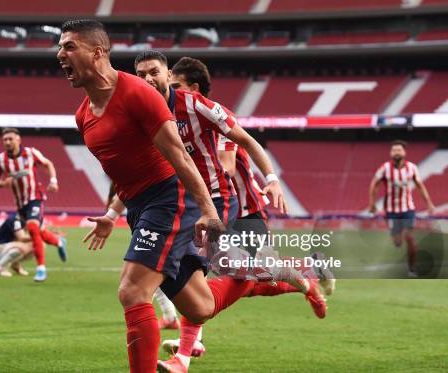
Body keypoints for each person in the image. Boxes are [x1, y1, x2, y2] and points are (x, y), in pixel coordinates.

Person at [57, 19, 292, 373]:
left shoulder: (138, 94)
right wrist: (111, 214)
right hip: (140, 209)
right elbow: (120, 170)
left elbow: (180, 156)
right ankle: (246, 280)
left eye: (68, 46)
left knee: (132, 291)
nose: (60, 54)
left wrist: (209, 210)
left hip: (168, 200)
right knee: (199, 306)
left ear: (98, 52)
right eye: (60, 47)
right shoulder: (82, 116)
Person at [134, 53, 326, 370]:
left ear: (169, 76)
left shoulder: (199, 108)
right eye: (141, 74)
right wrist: (113, 212)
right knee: (241, 277)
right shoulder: (142, 114)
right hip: (182, 204)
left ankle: (183, 355)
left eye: (155, 72)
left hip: (220, 202)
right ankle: (305, 280)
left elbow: (241, 146)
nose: (148, 80)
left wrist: (273, 180)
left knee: (199, 275)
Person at [0, 127, 67, 282]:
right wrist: (3, 183)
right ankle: (59, 241)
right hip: (20, 204)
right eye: (5, 139)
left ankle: (41, 269)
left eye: (10, 139)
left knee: (32, 227)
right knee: (39, 231)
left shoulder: (31, 153)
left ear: (18, 139)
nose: (7, 142)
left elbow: (48, 164)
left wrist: (53, 181)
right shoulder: (0, 160)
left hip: (35, 197)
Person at [368, 140, 435, 277]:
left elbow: (420, 185)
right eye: (394, 150)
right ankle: (399, 240)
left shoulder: (412, 168)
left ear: (404, 152)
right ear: (391, 153)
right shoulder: (385, 168)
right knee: (398, 242)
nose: (397, 152)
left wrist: (429, 203)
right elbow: (374, 184)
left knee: (409, 237)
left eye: (399, 150)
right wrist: (372, 204)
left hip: (408, 209)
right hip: (391, 211)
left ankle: (412, 269)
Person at [0, 213, 33, 277]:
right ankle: (1, 266)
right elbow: (22, 238)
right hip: (0, 249)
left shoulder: (24, 221)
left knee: (36, 246)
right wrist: (38, 236)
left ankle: (15, 265)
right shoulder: (15, 221)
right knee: (22, 247)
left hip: (9, 247)